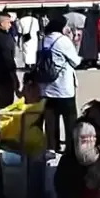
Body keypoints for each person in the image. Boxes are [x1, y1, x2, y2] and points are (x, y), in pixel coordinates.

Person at [37, 14, 81, 152]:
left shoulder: (43, 41)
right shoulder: (62, 41)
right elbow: (76, 61)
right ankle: (70, 148)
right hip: (64, 88)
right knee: (70, 120)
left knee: (51, 121)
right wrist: (74, 43)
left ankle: (52, 147)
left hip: (46, 88)